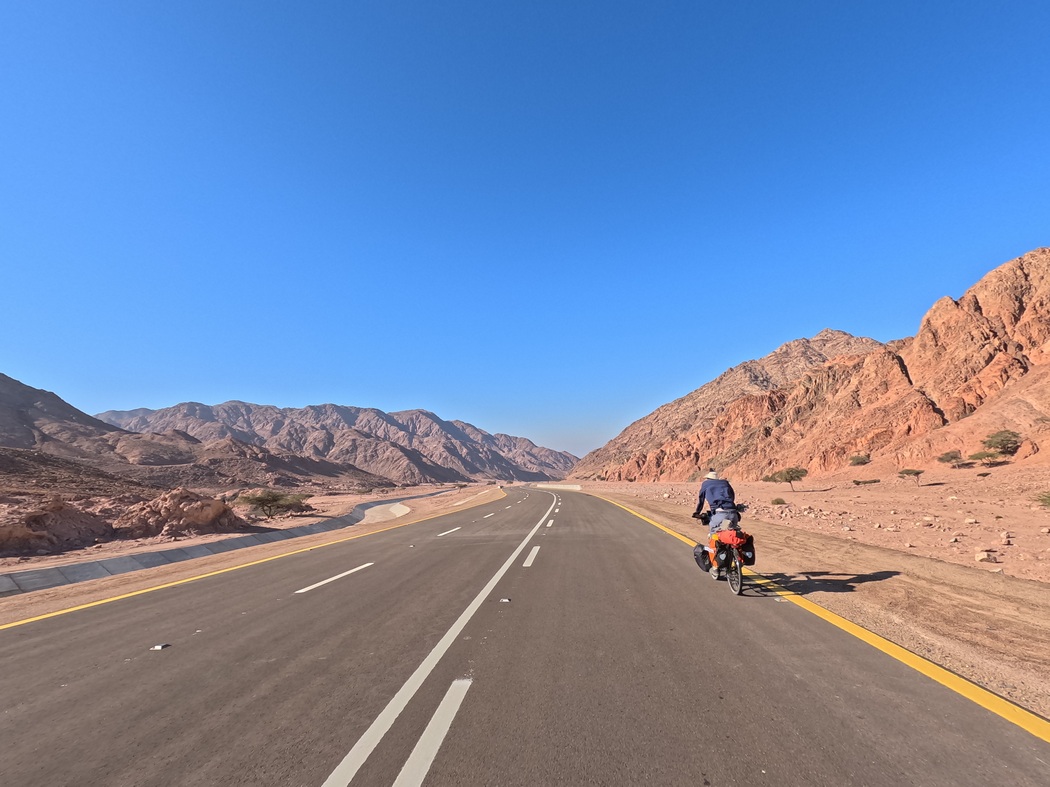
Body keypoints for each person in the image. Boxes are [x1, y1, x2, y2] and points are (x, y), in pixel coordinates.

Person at [692, 469, 741, 578]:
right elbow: (732, 496)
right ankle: (734, 557)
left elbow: (701, 500)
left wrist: (697, 512)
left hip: (720, 516)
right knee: (728, 532)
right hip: (733, 514)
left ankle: (715, 568)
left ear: (708, 478)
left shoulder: (706, 484)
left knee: (714, 537)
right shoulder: (725, 483)